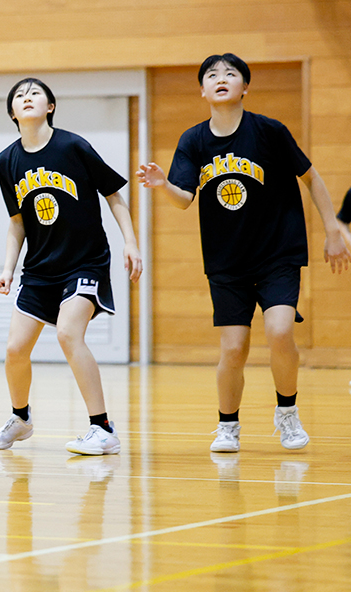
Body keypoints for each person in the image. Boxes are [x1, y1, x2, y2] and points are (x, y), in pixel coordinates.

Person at [138, 53, 350, 453]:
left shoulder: (269, 132)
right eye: (212, 75)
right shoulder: (193, 140)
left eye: (231, 74)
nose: (221, 79)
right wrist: (163, 184)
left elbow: (311, 177)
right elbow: (184, 198)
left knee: (280, 331)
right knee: (233, 349)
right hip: (226, 260)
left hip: (278, 253)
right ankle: (228, 426)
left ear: (245, 87)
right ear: (202, 90)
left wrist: (333, 230)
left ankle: (286, 413)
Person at [0, 78, 142, 456]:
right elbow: (17, 221)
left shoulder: (73, 146)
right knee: (14, 349)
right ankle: (20, 419)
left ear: (50, 106)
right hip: (40, 268)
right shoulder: (6, 161)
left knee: (69, 333)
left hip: (84, 260)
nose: (27, 97)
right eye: (19, 95)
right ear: (12, 113)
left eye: (35, 93)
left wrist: (131, 242)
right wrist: (8, 268)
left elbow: (114, 195)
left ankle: (102, 429)